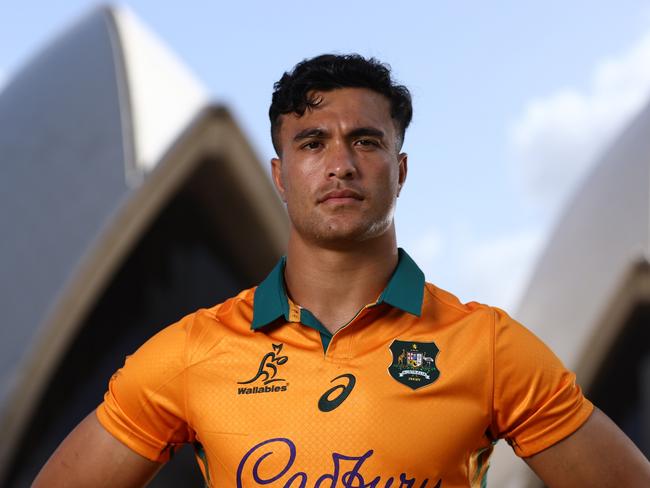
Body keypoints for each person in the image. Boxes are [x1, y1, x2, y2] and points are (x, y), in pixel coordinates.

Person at [34, 54, 650, 487]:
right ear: (279, 176)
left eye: (365, 141)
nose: (340, 165)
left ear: (399, 169)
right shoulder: (195, 351)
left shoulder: (488, 346)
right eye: (311, 143)